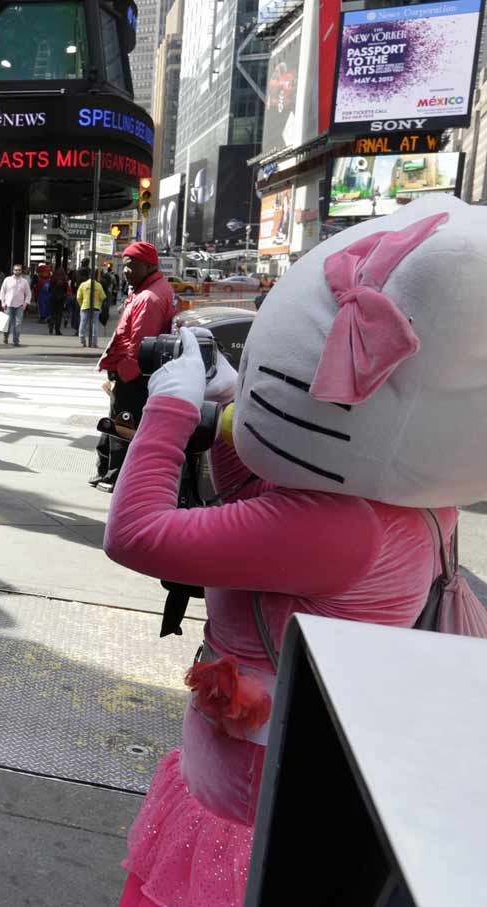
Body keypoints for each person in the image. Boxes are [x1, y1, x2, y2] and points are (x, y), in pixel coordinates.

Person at [105, 197, 484, 907]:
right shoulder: (413, 488)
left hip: (248, 804)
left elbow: (137, 532)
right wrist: (228, 405)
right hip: (310, 770)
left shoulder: (336, 529)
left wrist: (170, 405)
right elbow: (262, 479)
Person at [92, 242, 174, 488]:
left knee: (123, 425)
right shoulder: (145, 291)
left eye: (131, 266)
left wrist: (121, 374)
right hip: (130, 373)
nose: (125, 271)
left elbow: (139, 345)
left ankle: (114, 476)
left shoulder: (148, 298)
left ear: (149, 266)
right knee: (118, 422)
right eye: (124, 266)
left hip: (133, 376)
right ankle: (106, 471)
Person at [0, 262, 30, 346]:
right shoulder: (7, 280)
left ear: (21, 271)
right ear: (13, 271)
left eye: (19, 270)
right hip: (8, 305)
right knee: (7, 324)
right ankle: (5, 337)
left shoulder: (24, 282)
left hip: (19, 306)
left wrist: (25, 304)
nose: (17, 271)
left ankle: (16, 341)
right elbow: (2, 292)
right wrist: (3, 302)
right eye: (16, 270)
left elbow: (28, 294)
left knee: (18, 324)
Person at [76, 269, 105, 348]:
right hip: (95, 308)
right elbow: (102, 297)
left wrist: (81, 305)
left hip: (85, 306)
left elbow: (78, 297)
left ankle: (82, 341)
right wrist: (99, 305)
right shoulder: (98, 285)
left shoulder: (83, 285)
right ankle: (94, 343)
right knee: (94, 324)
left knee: (83, 323)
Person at [48, 264, 70, 335]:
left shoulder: (53, 277)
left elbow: (49, 288)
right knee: (59, 315)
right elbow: (67, 289)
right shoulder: (64, 279)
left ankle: (51, 328)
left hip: (53, 298)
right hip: (61, 298)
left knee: (52, 313)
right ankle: (57, 330)